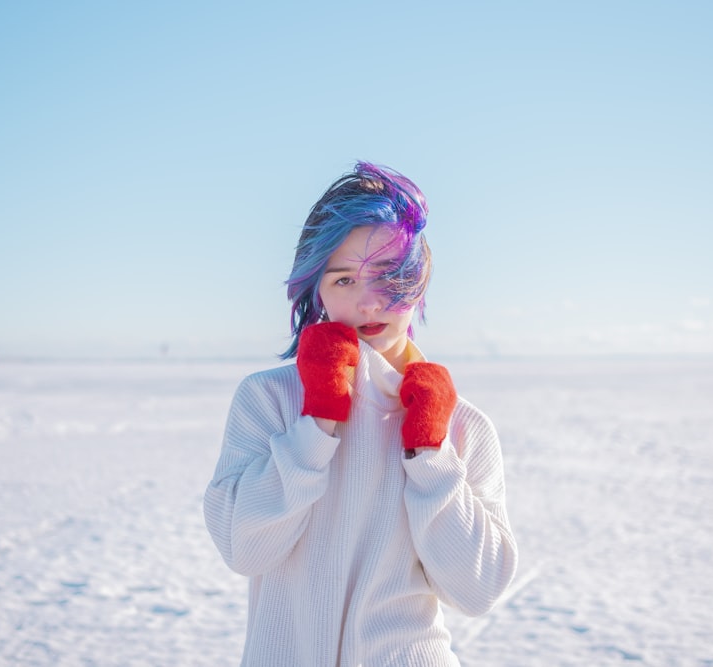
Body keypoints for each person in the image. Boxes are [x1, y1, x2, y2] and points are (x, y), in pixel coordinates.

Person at [204, 161, 517, 666]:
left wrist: (431, 455)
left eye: (389, 275)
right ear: (316, 289)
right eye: (344, 279)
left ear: (420, 279)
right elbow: (245, 550)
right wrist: (316, 425)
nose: (369, 301)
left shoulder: (463, 425)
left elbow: (477, 590)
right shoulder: (269, 400)